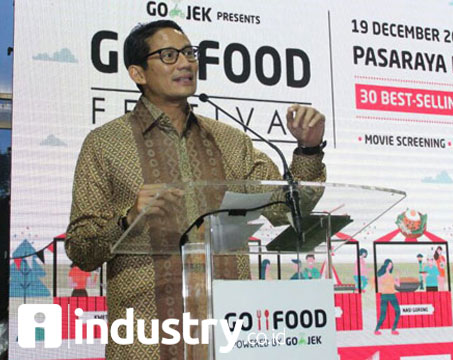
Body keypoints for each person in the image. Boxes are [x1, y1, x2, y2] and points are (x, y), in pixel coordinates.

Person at [65, 20, 327, 359]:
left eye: (190, 53)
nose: (186, 63)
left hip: (227, 340)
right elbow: (81, 249)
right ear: (138, 73)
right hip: (145, 342)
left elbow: (285, 209)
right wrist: (128, 218)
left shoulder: (232, 141)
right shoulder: (105, 144)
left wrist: (308, 149)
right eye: (170, 55)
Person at [374, 259, 401, 335]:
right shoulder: (381, 275)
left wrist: (397, 277)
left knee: (398, 311)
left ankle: (393, 329)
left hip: (392, 295)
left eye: (391, 265)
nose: (390, 266)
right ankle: (376, 330)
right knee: (383, 314)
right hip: (385, 295)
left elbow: (398, 285)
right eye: (389, 264)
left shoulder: (391, 276)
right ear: (386, 265)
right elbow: (378, 286)